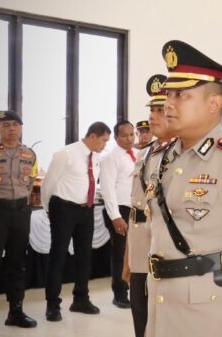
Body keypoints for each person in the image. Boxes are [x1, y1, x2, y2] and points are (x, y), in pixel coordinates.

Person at [145, 40, 222, 337]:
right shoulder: (161, 159)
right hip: (160, 301)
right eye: (168, 95)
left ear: (214, 104)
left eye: (181, 95)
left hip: (209, 311)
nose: (169, 104)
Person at [41, 121, 111, 322]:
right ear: (92, 137)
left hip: (85, 209)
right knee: (58, 256)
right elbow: (48, 185)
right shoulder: (66, 154)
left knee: (84, 256)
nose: (104, 145)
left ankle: (80, 299)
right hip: (63, 208)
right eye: (104, 140)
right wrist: (50, 210)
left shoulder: (96, 157)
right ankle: (52, 305)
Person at [122, 74, 175, 337]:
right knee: (139, 312)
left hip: (165, 250)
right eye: (151, 110)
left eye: (160, 110)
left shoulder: (182, 154)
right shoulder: (145, 153)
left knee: (164, 316)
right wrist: (128, 258)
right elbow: (136, 210)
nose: (153, 116)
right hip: (140, 246)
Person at [0, 110, 38, 328]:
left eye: (15, 124)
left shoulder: (29, 154)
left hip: (20, 212)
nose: (11, 129)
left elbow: (29, 184)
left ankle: (15, 311)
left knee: (17, 262)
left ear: (21, 127)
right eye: (6, 125)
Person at [100, 120, 137, 308]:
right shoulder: (110, 158)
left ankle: (137, 290)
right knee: (121, 254)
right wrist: (115, 216)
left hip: (137, 209)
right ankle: (120, 294)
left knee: (138, 252)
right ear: (116, 138)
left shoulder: (139, 154)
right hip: (119, 210)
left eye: (132, 134)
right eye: (124, 135)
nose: (129, 138)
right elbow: (108, 189)